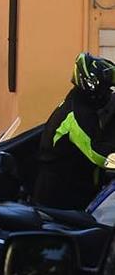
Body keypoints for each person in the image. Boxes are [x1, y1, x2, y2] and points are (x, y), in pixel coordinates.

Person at [32, 52, 115, 211]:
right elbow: (97, 153)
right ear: (93, 86)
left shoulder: (82, 106)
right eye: (106, 88)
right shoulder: (77, 114)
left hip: (74, 189)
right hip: (59, 197)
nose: (108, 93)